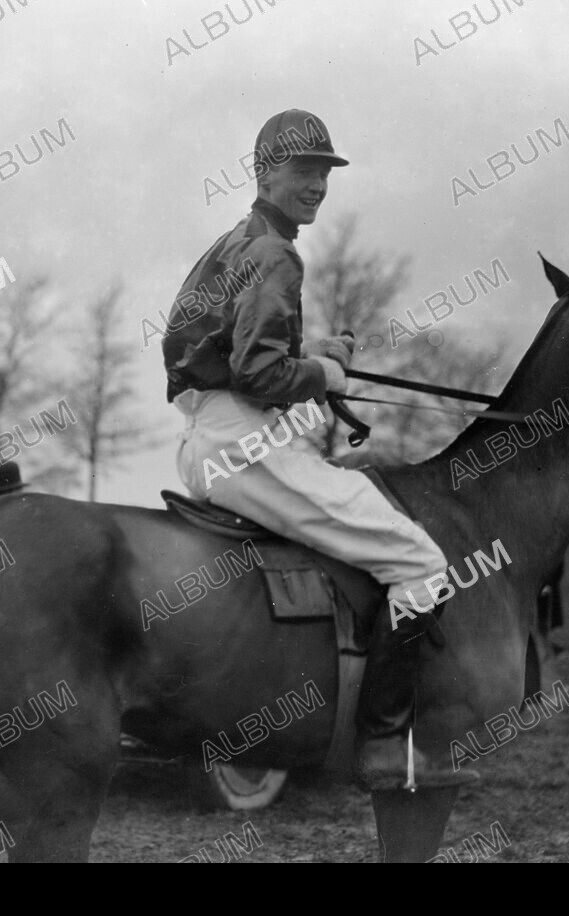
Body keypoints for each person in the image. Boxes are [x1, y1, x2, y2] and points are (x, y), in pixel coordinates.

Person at [162, 110, 473, 789]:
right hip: (246, 442)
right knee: (421, 562)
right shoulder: (276, 254)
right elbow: (257, 375)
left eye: (325, 173)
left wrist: (308, 354)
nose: (318, 185)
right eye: (305, 171)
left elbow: (214, 353)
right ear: (266, 171)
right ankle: (385, 748)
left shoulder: (233, 244)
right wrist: (324, 375)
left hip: (206, 435)